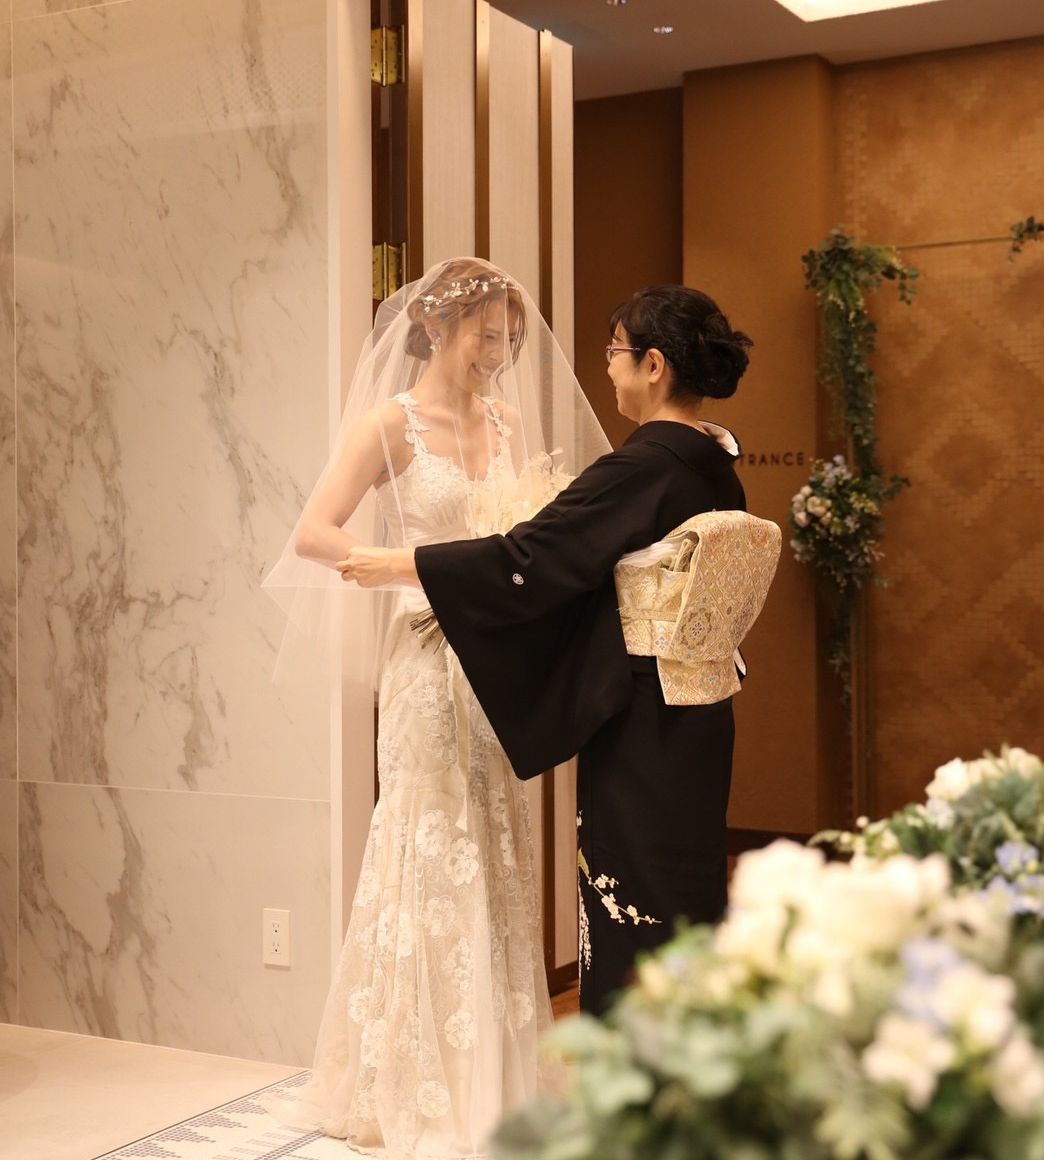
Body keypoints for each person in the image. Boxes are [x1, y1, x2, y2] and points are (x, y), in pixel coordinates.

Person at [339, 285, 779, 1016]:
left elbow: (532, 556)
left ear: (653, 366)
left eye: (614, 352)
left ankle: (631, 1062)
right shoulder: (711, 462)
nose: (606, 367)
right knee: (686, 885)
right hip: (701, 707)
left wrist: (404, 564)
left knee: (631, 889)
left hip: (643, 716)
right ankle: (694, 1050)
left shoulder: (641, 466)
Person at [262, 257, 610, 1155]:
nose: (497, 354)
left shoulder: (505, 421)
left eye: (508, 339)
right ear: (434, 329)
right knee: (425, 837)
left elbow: (520, 543)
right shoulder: (393, 423)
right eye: (485, 336)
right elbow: (313, 532)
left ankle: (494, 1070)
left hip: (494, 665)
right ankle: (408, 1077)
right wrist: (401, 573)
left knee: (492, 838)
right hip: (423, 660)